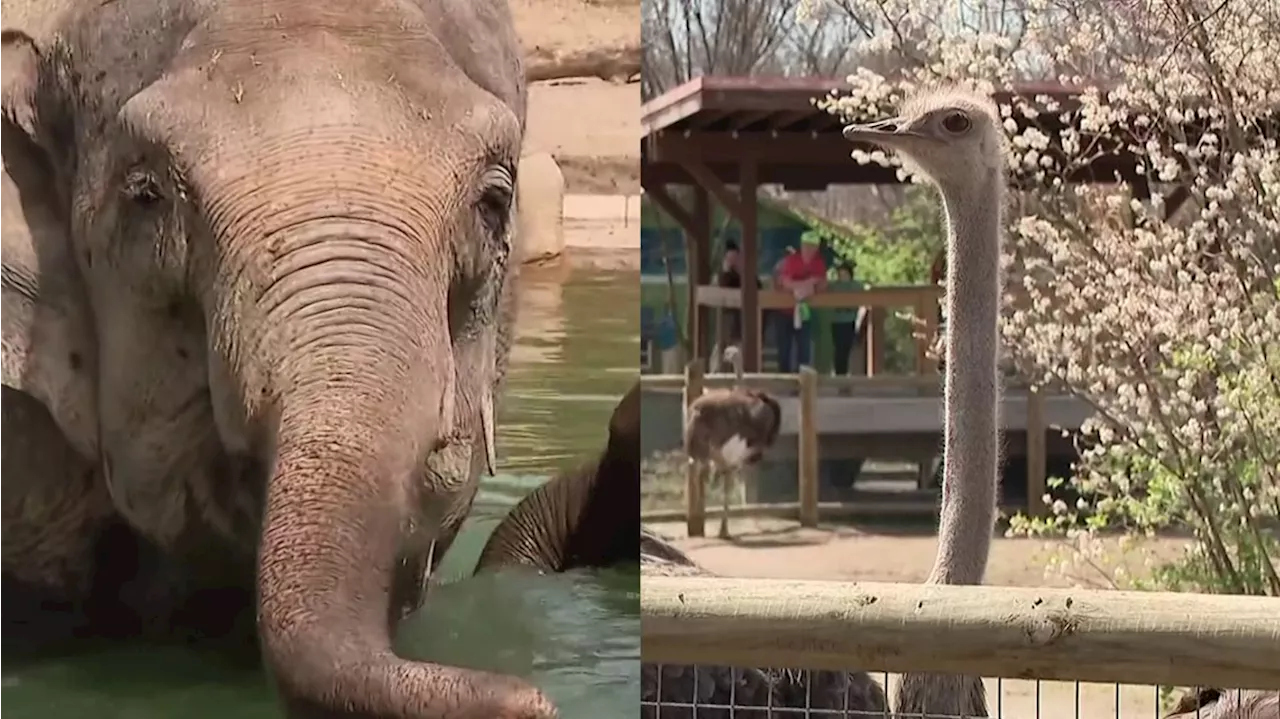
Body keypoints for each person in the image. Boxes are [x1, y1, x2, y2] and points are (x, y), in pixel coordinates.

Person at [775, 234, 827, 372]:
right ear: (802, 245)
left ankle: (803, 382)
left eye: (812, 246)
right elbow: (785, 283)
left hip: (805, 311)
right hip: (785, 311)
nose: (809, 249)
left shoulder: (819, 263)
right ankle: (783, 380)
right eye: (806, 245)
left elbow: (821, 284)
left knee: (804, 349)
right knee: (784, 349)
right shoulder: (792, 260)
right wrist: (807, 284)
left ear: (816, 248)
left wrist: (800, 287)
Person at [712, 240, 761, 370]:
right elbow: (720, 288)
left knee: (740, 354)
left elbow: (757, 287)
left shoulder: (745, 273)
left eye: (735, 257)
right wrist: (726, 270)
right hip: (726, 322)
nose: (733, 260)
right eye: (730, 257)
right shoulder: (723, 275)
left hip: (742, 322)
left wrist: (741, 270)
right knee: (722, 351)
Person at [827, 262, 863, 375]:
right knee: (838, 350)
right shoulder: (834, 286)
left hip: (850, 321)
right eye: (840, 274)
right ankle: (839, 374)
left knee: (846, 349)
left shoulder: (856, 286)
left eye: (844, 273)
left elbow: (861, 300)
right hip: (836, 321)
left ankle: (844, 374)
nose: (842, 276)